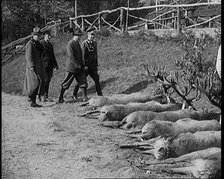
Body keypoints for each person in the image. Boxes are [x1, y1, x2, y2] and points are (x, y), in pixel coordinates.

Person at [58, 29, 88, 103]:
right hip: (71, 68)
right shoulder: (70, 44)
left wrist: (82, 65)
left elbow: (80, 56)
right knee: (66, 83)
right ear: (74, 36)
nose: (79, 37)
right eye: (78, 36)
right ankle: (60, 98)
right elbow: (71, 56)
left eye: (80, 36)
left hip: (79, 68)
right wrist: (77, 65)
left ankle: (84, 97)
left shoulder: (78, 44)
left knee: (83, 81)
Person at [72, 27, 103, 99]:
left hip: (93, 66)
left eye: (93, 35)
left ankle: (100, 95)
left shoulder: (94, 43)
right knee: (81, 80)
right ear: (88, 35)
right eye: (91, 34)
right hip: (86, 67)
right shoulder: (84, 43)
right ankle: (74, 94)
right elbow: (83, 55)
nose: (93, 36)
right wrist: (84, 65)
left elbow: (95, 54)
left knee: (97, 80)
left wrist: (96, 64)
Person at [23, 27, 45, 107]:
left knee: (39, 82)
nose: (38, 37)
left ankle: (33, 100)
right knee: (34, 83)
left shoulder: (38, 44)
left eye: (39, 35)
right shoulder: (30, 44)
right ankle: (32, 100)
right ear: (33, 35)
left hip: (39, 66)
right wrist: (31, 66)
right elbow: (28, 56)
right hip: (32, 67)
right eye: (36, 35)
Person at [41, 30, 59, 101]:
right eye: (48, 35)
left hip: (50, 65)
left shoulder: (50, 45)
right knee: (45, 80)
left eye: (49, 36)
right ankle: (41, 95)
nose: (49, 37)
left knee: (48, 80)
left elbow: (52, 56)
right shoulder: (41, 44)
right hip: (43, 65)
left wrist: (56, 64)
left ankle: (46, 95)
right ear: (44, 36)